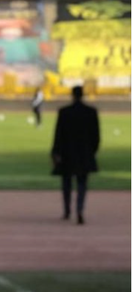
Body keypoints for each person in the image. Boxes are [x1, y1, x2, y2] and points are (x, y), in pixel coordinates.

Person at [51, 86, 100, 225]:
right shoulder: (91, 112)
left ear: (72, 95)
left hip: (67, 153)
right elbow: (96, 137)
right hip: (84, 153)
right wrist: (91, 151)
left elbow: (58, 135)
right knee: (82, 184)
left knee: (66, 183)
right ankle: (79, 210)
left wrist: (55, 152)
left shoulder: (64, 112)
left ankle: (67, 211)